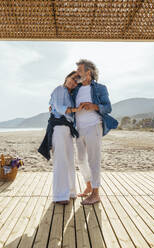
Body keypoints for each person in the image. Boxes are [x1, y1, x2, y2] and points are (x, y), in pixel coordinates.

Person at [71, 59, 118, 205]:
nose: (77, 73)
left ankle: (96, 194)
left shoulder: (100, 88)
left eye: (80, 70)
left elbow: (108, 107)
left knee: (93, 160)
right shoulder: (76, 89)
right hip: (79, 128)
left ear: (88, 72)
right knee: (80, 159)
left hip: (94, 126)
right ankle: (89, 186)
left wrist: (94, 106)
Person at [38, 71, 82, 205]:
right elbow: (59, 108)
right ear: (67, 77)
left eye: (76, 82)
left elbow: (53, 106)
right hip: (58, 128)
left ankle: (70, 191)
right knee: (60, 161)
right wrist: (76, 110)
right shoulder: (59, 89)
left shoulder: (69, 94)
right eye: (72, 78)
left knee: (69, 160)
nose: (73, 82)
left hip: (67, 129)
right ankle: (60, 195)